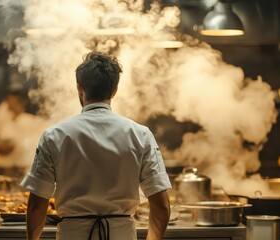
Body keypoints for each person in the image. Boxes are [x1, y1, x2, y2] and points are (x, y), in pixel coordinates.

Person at [21, 51, 172, 240]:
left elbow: (37, 206)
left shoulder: (54, 136)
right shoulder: (140, 135)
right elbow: (161, 206)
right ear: (114, 90)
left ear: (80, 88)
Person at [0, 84, 45, 177]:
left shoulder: (35, 120)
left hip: (26, 172)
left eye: (18, 101)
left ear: (24, 102)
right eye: (9, 101)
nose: (13, 105)